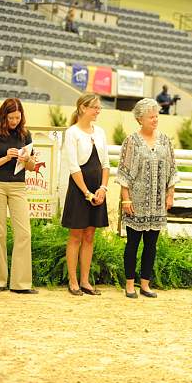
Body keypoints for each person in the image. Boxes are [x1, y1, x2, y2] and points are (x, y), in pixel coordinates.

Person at [116, 98, 179, 299]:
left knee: (151, 245)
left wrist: (170, 194)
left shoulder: (165, 140)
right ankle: (129, 285)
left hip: (158, 203)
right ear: (140, 119)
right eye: (151, 116)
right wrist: (126, 200)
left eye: (156, 116)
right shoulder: (131, 141)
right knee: (132, 244)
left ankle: (145, 284)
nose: (155, 119)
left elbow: (172, 169)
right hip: (136, 202)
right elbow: (123, 172)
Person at [0, 98, 38, 294]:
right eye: (11, 117)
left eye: (17, 116)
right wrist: (5, 157)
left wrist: (27, 158)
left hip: (18, 187)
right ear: (4, 116)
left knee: (24, 233)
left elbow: (32, 167)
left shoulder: (25, 135)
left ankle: (21, 284)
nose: (14, 120)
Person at [61, 93, 109, 296]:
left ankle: (85, 281)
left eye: (99, 108)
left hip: (98, 189)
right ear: (82, 108)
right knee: (75, 235)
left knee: (90, 235)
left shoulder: (100, 132)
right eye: (95, 107)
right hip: (80, 189)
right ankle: (73, 281)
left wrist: (103, 189)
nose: (98, 111)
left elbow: (106, 164)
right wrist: (87, 193)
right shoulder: (72, 133)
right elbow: (73, 167)